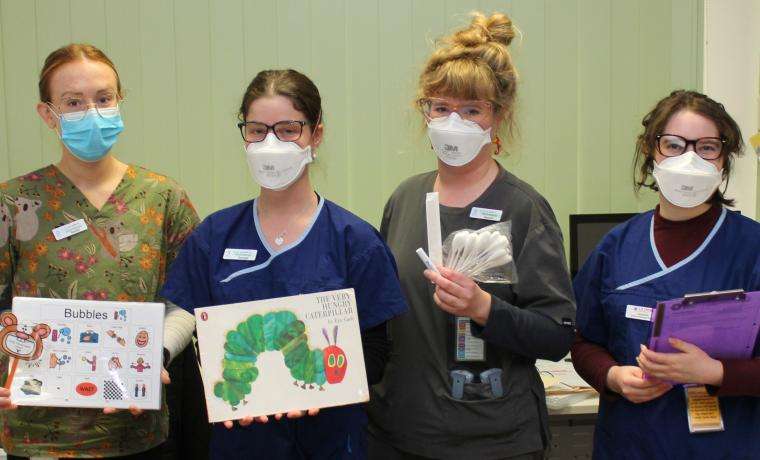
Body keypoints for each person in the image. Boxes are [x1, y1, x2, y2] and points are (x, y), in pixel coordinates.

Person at [160, 69, 407, 459]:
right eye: (257, 130)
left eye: (288, 129)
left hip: (329, 439)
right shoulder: (215, 236)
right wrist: (153, 356)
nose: (270, 143)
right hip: (239, 439)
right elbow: (186, 316)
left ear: (316, 135)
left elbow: (376, 351)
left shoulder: (353, 240)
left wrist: (321, 388)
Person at [367, 12, 576, 460]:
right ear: (424, 112)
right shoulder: (406, 199)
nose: (452, 122)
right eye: (440, 108)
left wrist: (485, 308)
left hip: (492, 440)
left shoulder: (523, 208)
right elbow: (383, 317)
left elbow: (558, 335)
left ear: (497, 119)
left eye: (471, 110)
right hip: (400, 432)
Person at [0, 44, 200, 459]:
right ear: (47, 114)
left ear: (119, 102)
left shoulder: (161, 198)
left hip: (136, 429)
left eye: (103, 99)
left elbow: (190, 300)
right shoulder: (14, 202)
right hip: (38, 431)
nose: (92, 112)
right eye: (73, 102)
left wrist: (154, 350)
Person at [571, 90, 760, 459]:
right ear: (651, 151)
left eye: (706, 147)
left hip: (725, 446)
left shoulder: (751, 248)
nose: (689, 159)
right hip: (632, 442)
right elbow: (582, 340)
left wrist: (717, 371)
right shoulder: (617, 247)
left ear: (723, 160)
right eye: (673, 145)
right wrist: (612, 377)